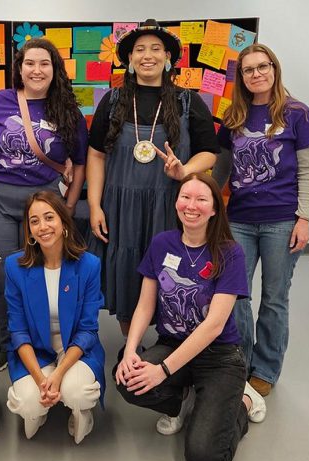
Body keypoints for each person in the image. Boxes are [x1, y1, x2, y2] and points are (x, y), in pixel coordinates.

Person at [114, 174, 266, 461]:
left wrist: (162, 371)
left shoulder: (230, 252)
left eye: (201, 199)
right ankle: (181, 401)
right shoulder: (162, 244)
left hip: (218, 355)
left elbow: (213, 326)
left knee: (205, 460)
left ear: (214, 209)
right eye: (185, 197)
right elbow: (145, 305)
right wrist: (131, 350)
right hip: (172, 344)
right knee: (127, 380)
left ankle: (243, 402)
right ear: (176, 202)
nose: (191, 205)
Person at [86, 19, 219, 337]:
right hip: (121, 207)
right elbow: (96, 154)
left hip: (169, 204)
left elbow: (209, 152)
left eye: (156, 49)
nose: (148, 55)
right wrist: (94, 205)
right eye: (140, 49)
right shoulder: (113, 101)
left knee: (172, 272)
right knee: (128, 274)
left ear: (168, 57)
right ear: (129, 59)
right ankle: (131, 346)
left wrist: (185, 171)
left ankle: (170, 342)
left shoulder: (188, 101)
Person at [213, 44, 309, 397]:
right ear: (240, 77)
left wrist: (303, 218)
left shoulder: (297, 114)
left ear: (274, 69)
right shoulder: (233, 117)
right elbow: (222, 170)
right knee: (236, 295)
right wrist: (202, 199)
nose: (256, 74)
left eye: (263, 67)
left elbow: (307, 169)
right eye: (248, 70)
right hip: (240, 220)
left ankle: (266, 369)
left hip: (281, 222)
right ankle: (240, 361)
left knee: (274, 298)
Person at [0, 38, 88, 369]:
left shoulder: (68, 111)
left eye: (44, 63)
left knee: (39, 274)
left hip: (43, 206)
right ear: (19, 69)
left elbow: (80, 163)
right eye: (30, 63)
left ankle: (38, 340)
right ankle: (9, 344)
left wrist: (68, 207)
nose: (36, 70)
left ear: (55, 70)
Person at [5, 191, 104, 443]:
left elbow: (87, 330)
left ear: (63, 222)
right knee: (28, 402)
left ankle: (81, 410)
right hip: (35, 346)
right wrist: (41, 379)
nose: (43, 227)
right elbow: (17, 330)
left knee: (77, 392)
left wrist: (57, 376)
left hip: (75, 346)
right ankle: (39, 409)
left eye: (49, 217)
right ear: (28, 230)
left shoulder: (89, 265)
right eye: (34, 221)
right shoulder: (14, 266)